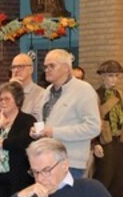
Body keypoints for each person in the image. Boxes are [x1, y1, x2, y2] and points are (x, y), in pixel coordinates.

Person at [32, 49, 100, 178]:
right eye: (45, 66)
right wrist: (38, 131)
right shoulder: (48, 91)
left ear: (66, 68)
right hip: (46, 161)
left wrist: (55, 132)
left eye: (52, 66)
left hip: (70, 163)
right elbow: (46, 122)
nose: (47, 70)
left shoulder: (83, 90)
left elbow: (93, 127)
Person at [91, 60, 123, 197]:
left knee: (118, 181)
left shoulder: (121, 95)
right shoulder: (95, 95)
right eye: (110, 75)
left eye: (116, 76)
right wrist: (94, 143)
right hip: (104, 143)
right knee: (104, 177)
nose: (114, 79)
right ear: (102, 76)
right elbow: (91, 122)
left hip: (119, 142)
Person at [0, 54, 46, 121]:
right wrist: (8, 89)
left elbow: (37, 120)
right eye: (13, 67)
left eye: (20, 66)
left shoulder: (41, 94)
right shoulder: (5, 91)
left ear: (31, 69)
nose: (16, 70)